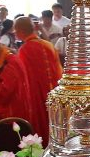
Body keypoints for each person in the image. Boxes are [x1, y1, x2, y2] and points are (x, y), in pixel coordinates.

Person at [13, 16, 62, 144]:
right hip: (54, 92)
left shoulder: (24, 50)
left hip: (36, 96)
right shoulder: (48, 45)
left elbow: (22, 79)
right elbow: (59, 71)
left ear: (19, 31)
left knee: (40, 126)